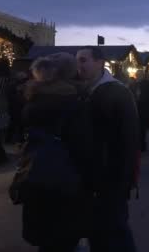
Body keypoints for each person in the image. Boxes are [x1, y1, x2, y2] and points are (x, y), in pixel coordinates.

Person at [20, 54, 92, 252]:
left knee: (46, 238)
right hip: (66, 180)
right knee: (64, 236)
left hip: (36, 173)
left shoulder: (33, 98)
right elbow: (83, 147)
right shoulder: (74, 102)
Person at [76, 47, 139, 252]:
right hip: (93, 177)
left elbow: (129, 140)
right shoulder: (85, 90)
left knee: (116, 229)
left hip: (111, 177)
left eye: (84, 60)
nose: (79, 66)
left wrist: (124, 179)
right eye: (78, 61)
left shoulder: (118, 92)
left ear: (100, 62)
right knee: (99, 230)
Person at [134, 72, 149, 152]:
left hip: (143, 110)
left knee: (142, 129)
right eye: (137, 75)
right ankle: (141, 144)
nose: (137, 77)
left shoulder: (146, 85)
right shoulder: (135, 84)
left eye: (138, 75)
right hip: (137, 109)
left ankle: (142, 145)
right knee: (139, 129)